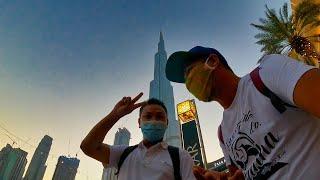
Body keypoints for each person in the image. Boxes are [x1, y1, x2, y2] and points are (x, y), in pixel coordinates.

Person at [165, 46, 320, 180]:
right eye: (185, 81)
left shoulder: (267, 73)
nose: (189, 83)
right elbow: (239, 176)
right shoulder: (223, 133)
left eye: (189, 71)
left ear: (212, 61)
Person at [80, 93, 196, 180]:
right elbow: (88, 147)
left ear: (167, 123)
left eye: (160, 117)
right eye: (148, 116)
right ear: (139, 123)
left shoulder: (181, 156)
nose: (154, 121)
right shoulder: (122, 154)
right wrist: (115, 115)